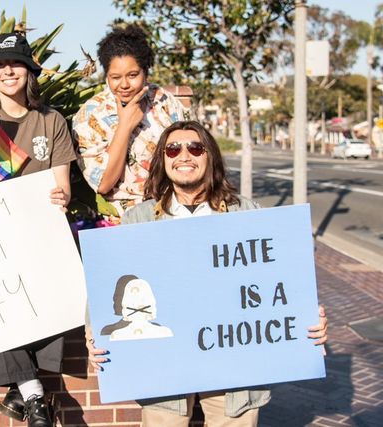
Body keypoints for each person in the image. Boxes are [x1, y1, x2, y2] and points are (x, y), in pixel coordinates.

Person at [85, 120, 329, 427]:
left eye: (195, 147)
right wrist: (94, 330)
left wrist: (309, 316)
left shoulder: (248, 214)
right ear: (163, 159)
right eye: (173, 149)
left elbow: (282, 284)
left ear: (209, 156)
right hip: (163, 366)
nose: (184, 155)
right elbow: (111, 276)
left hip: (235, 369)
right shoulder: (139, 219)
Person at [0, 32, 75, 427]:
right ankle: (36, 395)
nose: (8, 71)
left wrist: (61, 197)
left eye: (16, 63)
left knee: (50, 291)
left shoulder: (50, 120)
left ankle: (22, 390)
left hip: (39, 235)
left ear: (29, 71)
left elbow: (62, 186)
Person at [72, 25, 190, 223]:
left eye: (133, 75)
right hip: (120, 222)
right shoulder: (90, 115)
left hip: (173, 215)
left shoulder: (165, 102)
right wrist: (125, 126)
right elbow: (104, 183)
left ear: (146, 72)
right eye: (115, 78)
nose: (124, 85)